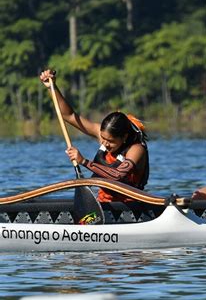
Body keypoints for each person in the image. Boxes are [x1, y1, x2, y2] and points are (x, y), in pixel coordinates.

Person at [39, 69, 149, 202]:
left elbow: (118, 175)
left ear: (124, 137)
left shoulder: (137, 149)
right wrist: (52, 87)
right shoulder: (103, 136)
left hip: (130, 208)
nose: (104, 143)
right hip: (103, 204)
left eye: (110, 141)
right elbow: (69, 116)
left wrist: (84, 162)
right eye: (103, 138)